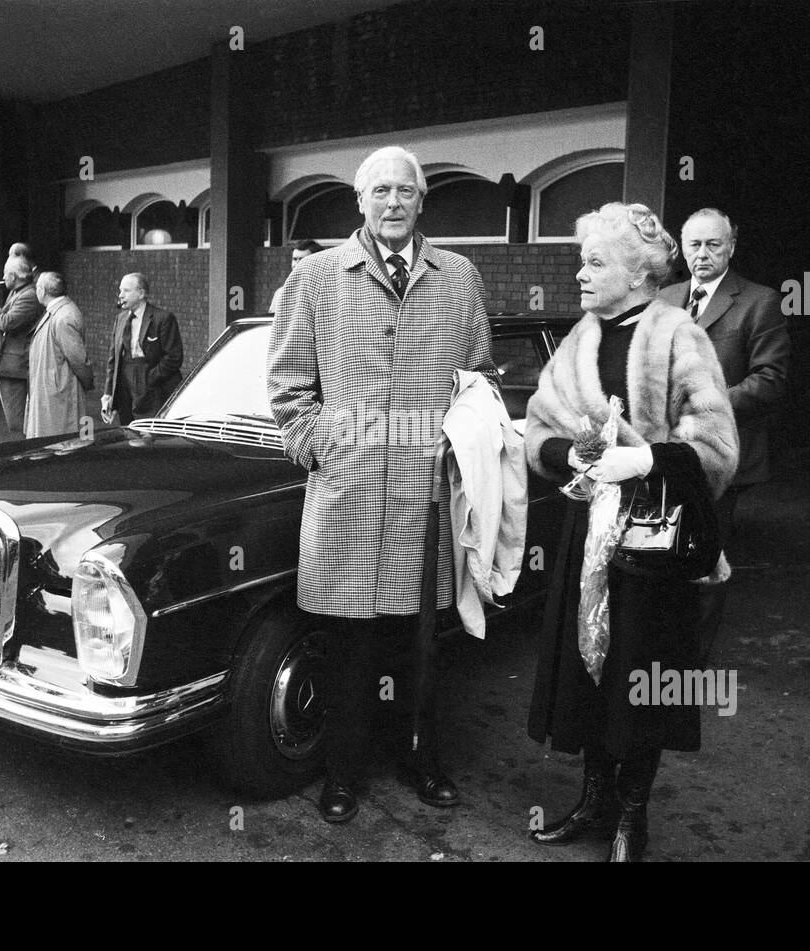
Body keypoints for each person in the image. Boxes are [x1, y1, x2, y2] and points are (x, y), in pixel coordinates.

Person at [266, 145, 500, 823]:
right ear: (358, 203)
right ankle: (343, 773)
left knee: (420, 641)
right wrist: (322, 447)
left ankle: (422, 758)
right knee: (347, 645)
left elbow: (477, 377)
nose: (394, 202)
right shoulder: (315, 278)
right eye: (381, 192)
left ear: (422, 201)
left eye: (406, 191)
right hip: (347, 490)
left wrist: (457, 450)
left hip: (424, 495)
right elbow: (286, 388)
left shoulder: (457, 276)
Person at [523, 202, 738, 861]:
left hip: (654, 546)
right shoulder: (581, 338)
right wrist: (574, 456)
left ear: (640, 271)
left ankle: (631, 819)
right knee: (588, 675)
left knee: (638, 679)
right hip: (587, 536)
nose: (580, 276)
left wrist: (644, 458)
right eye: (580, 262)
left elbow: (718, 448)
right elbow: (537, 430)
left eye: (595, 262)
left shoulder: (679, 334)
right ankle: (595, 803)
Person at [658, 208, 789, 663]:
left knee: (704, 557)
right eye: (693, 244)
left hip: (719, 456)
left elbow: (770, 379)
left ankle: (691, 663)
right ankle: (660, 649)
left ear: (731, 247)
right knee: (661, 551)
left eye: (714, 244)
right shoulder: (666, 297)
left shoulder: (759, 301)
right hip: (662, 453)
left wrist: (706, 404)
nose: (702, 254)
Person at [101, 273, 183, 425]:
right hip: (126, 386)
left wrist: (149, 379)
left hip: (153, 385)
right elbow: (113, 359)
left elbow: (174, 357)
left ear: (141, 294)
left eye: (126, 291)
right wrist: (108, 392)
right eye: (120, 290)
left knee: (150, 433)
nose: (120, 295)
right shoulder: (120, 319)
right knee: (128, 431)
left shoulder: (163, 318)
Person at [25, 271, 93, 439]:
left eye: (37, 287)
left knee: (60, 442)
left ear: (42, 291)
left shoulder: (63, 316)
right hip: (53, 391)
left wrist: (87, 383)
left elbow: (78, 359)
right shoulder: (59, 312)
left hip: (59, 394)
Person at [0, 255, 40, 433]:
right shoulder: (18, 292)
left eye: (5, 274)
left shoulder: (29, 296)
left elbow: (7, 322)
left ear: (14, 276)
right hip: (7, 363)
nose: (3, 278)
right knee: (16, 419)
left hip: (15, 365)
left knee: (18, 420)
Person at [268, 239, 324, 313]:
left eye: (302, 260)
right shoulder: (281, 293)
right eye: (295, 259)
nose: (296, 264)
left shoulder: (325, 292)